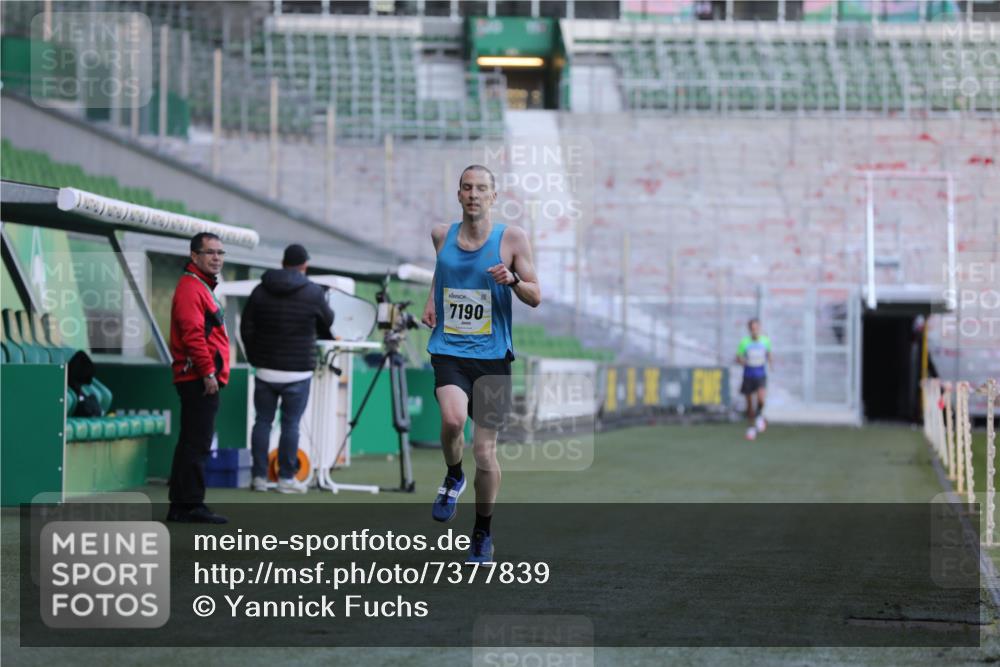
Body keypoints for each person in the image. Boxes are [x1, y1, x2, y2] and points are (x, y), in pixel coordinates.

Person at [421, 164, 541, 563]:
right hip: (450, 350)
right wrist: (429, 300)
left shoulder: (512, 239)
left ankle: (482, 532)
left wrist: (512, 281)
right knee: (453, 420)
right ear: (458, 195)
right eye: (467, 188)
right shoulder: (442, 234)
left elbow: (536, 295)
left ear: (494, 196)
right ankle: (453, 475)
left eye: (481, 189)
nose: (473, 194)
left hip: (492, 358)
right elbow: (444, 270)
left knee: (485, 453)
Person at [241, 244, 334, 494]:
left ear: (283, 263)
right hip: (298, 370)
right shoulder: (313, 292)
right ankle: (285, 479)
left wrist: (254, 357)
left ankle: (259, 478)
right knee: (291, 424)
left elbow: (246, 327)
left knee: (262, 422)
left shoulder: (260, 290)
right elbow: (328, 321)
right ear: (304, 265)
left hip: (265, 369)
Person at [166, 232, 230, 524]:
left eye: (220, 252)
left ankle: (180, 506)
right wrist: (207, 372)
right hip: (198, 376)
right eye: (210, 252)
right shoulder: (192, 287)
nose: (216, 257)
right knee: (198, 442)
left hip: (197, 375)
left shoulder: (199, 286)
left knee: (191, 441)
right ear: (194, 256)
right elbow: (193, 335)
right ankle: (191, 505)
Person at [736, 318, 772, 441]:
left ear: (759, 328)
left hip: (760, 375)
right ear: (749, 329)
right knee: (750, 405)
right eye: (752, 328)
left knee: (761, 399)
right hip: (748, 375)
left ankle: (759, 417)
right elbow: (739, 357)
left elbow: (768, 353)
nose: (754, 330)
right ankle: (751, 427)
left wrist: (771, 363)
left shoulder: (765, 341)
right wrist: (743, 361)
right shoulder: (745, 342)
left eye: (756, 328)